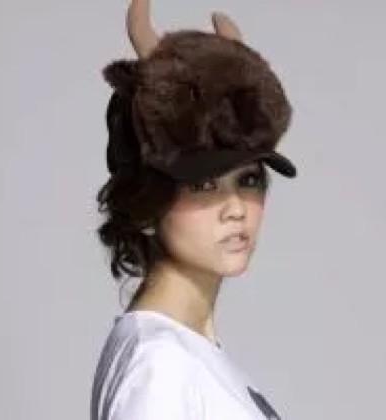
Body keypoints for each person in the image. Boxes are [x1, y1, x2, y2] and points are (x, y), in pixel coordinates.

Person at [90, 1, 297, 419]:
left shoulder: (188, 352)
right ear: (146, 207)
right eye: (203, 184)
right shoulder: (160, 367)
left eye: (249, 179)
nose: (235, 208)